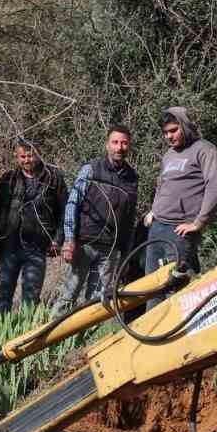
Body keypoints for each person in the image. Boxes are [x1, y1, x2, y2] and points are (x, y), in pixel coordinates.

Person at [144, 106, 217, 284]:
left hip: (179, 231)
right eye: (165, 133)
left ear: (185, 126)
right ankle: (153, 313)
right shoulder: (169, 155)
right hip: (156, 227)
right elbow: (162, 184)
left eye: (173, 130)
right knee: (151, 284)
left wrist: (199, 222)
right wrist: (153, 211)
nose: (169, 137)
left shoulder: (205, 150)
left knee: (176, 286)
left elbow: (215, 188)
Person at [0, 139, 66, 313]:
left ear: (38, 154)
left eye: (30, 155)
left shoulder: (52, 178)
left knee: (30, 299)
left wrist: (58, 240)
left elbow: (64, 212)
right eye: (23, 156)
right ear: (16, 156)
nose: (27, 160)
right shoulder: (9, 179)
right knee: (3, 297)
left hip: (37, 248)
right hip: (9, 248)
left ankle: (26, 335)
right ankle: (0, 335)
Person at [61, 125, 139, 305]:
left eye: (124, 143)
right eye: (115, 142)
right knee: (67, 297)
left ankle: (86, 335)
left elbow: (129, 219)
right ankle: (50, 333)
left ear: (129, 146)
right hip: (84, 245)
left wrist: (126, 256)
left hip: (109, 251)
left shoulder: (132, 178)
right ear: (107, 145)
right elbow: (73, 204)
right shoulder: (91, 169)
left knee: (96, 303)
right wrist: (69, 239)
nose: (119, 147)